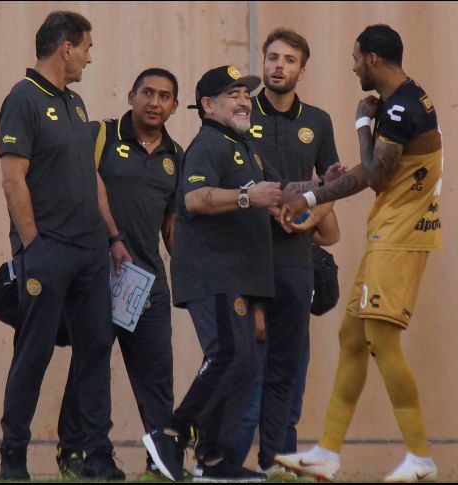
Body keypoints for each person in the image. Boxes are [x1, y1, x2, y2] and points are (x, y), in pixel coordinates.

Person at [275, 24, 443, 482]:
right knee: (352, 338)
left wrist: (360, 124)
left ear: (371, 58)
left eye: (354, 58)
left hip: (401, 237)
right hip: (387, 233)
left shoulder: (401, 107)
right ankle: (328, 451)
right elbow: (370, 171)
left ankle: (420, 455)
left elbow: (377, 175)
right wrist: (312, 191)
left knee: (382, 341)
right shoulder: (400, 103)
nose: (351, 67)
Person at [0, 10, 129, 480]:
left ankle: (93, 455)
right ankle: (13, 457)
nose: (90, 59)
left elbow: (90, 177)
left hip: (92, 252)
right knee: (33, 354)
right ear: (66, 47)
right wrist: (33, 248)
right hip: (47, 251)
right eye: (87, 48)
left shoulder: (75, 104)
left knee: (95, 351)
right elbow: (13, 180)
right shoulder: (23, 98)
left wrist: (112, 236)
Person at [141, 65, 282, 482]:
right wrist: (246, 196)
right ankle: (170, 432)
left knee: (242, 363)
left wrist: (318, 187)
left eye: (246, 94)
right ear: (207, 105)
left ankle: (214, 460)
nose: (244, 101)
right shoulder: (209, 143)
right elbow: (197, 199)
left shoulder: (247, 147)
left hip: (238, 275)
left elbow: (268, 192)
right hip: (212, 273)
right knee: (228, 355)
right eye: (233, 94)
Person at [54, 67, 186, 480]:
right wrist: (111, 237)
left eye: (164, 96)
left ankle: (161, 458)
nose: (154, 102)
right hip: (95, 274)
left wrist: (195, 274)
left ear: (174, 106)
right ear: (131, 95)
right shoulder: (101, 136)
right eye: (147, 92)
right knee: (90, 366)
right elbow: (80, 185)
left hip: (148, 284)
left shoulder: (176, 156)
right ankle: (86, 455)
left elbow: (172, 227)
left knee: (157, 375)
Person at [235, 27, 340, 481]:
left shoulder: (317, 120)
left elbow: (334, 182)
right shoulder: (239, 112)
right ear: (264, 61)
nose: (279, 66)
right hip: (244, 257)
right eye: (272, 57)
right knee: (244, 376)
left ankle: (278, 465)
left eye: (289, 59)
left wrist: (308, 218)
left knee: (287, 373)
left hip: (297, 260)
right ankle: (222, 466)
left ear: (301, 69)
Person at [234, 209, 341, 477]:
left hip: (293, 321)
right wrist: (255, 311)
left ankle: (280, 471)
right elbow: (239, 253)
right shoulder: (258, 192)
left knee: (289, 409)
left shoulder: (299, 203)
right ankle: (224, 470)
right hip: (262, 315)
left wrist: (320, 196)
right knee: (248, 410)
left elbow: (331, 233)